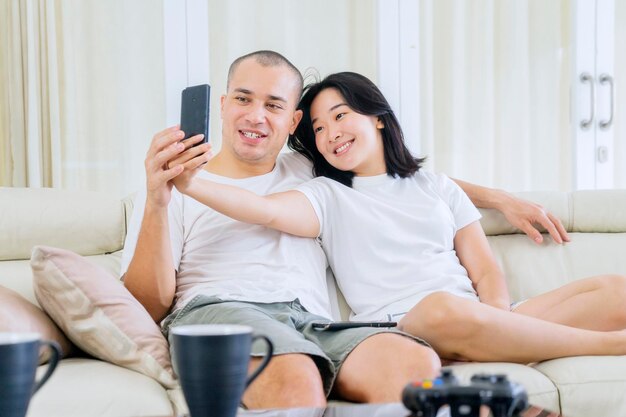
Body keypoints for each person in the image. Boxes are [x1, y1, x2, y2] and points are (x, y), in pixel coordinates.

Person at [122, 51, 569, 409]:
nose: (257, 116)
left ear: (293, 122)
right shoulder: (170, 182)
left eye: (274, 105)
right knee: (297, 379)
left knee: (412, 362)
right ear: (222, 105)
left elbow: (401, 177)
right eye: (243, 99)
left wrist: (499, 198)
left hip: (315, 324)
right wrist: (160, 201)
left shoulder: (309, 168)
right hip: (222, 312)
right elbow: (148, 303)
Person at [170, 70, 626, 366]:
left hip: (475, 314)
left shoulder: (438, 186)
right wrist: (191, 184)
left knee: (613, 289)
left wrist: (496, 317)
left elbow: (485, 268)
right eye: (319, 130)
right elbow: (264, 209)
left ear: (379, 119)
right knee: (441, 308)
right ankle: (611, 346)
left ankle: (497, 343)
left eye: (340, 116)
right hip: (408, 327)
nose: (331, 134)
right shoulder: (324, 194)